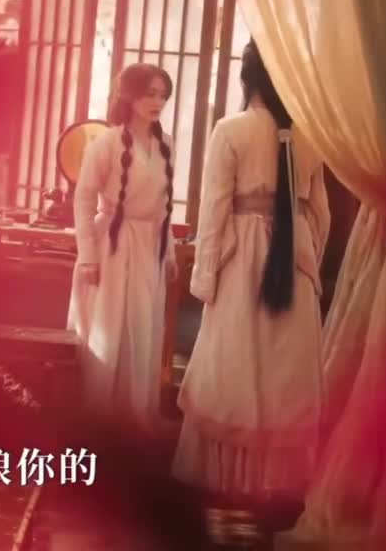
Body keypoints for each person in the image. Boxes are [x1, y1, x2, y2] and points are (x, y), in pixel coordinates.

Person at [171, 40, 330, 509]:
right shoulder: (310, 135)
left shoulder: (231, 129)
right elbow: (320, 213)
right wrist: (309, 258)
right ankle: (277, 479)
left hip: (242, 258)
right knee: (286, 370)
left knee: (236, 362)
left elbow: (214, 209)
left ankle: (227, 478)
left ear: (248, 77)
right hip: (293, 258)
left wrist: (204, 277)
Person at [68, 63, 178, 430]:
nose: (157, 102)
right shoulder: (106, 143)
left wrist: (169, 252)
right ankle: (98, 419)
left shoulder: (166, 144)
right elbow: (84, 199)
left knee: (143, 328)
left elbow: (165, 207)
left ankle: (136, 416)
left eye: (162, 95)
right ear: (129, 96)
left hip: (149, 247)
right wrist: (87, 256)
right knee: (108, 326)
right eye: (150, 94)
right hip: (111, 244)